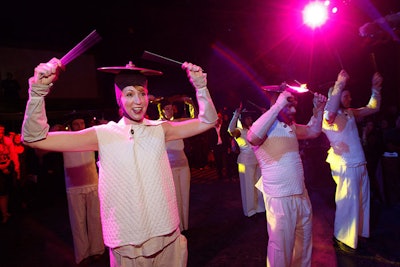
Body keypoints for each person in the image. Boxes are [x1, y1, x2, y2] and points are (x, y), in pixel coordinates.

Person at [21, 58, 218, 267]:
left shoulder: (160, 129)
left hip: (166, 233)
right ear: (119, 99)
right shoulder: (104, 134)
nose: (139, 101)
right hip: (127, 239)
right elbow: (34, 138)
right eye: (129, 94)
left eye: (142, 93)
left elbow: (209, 120)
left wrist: (201, 86)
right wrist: (37, 92)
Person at [247, 88, 327, 267]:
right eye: (289, 106)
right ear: (278, 104)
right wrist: (278, 106)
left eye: (294, 106)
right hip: (279, 199)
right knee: (280, 249)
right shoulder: (264, 127)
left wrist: (319, 109)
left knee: (303, 245)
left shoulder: (290, 127)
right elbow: (252, 137)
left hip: (301, 195)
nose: (294, 111)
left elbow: (313, 131)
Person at [322, 70, 383, 253]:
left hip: (359, 163)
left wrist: (376, 89)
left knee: (362, 202)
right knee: (347, 202)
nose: (349, 98)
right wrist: (339, 83)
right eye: (345, 96)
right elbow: (330, 110)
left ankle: (357, 234)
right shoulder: (328, 117)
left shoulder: (350, 113)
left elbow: (373, 108)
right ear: (337, 96)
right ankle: (342, 238)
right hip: (345, 165)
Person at [61, 112, 105, 264]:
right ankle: (82, 253)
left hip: (92, 183)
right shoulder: (65, 140)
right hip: (74, 186)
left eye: (81, 123)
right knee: (78, 221)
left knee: (95, 218)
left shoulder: (90, 138)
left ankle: (97, 249)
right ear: (71, 126)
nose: (80, 126)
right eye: (76, 124)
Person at [157, 97, 195, 232]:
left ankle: (185, 226)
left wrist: (191, 104)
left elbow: (195, 119)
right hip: (169, 164)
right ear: (162, 111)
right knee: (175, 198)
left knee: (185, 195)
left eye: (171, 109)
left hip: (183, 163)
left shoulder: (177, 123)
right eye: (167, 109)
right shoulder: (158, 125)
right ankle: (177, 226)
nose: (170, 111)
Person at [228, 104, 265, 217]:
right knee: (248, 186)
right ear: (243, 119)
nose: (250, 119)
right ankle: (250, 210)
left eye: (251, 118)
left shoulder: (253, 130)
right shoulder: (239, 131)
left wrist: (264, 114)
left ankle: (260, 207)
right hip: (245, 161)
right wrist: (236, 114)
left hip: (256, 160)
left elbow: (263, 127)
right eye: (248, 118)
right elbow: (230, 129)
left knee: (258, 185)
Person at [0, 124, 20, 223]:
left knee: (5, 193)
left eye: (2, 131)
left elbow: (13, 154)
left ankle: (5, 213)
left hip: (6, 170)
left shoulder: (7, 140)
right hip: (2, 170)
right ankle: (4, 214)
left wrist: (16, 167)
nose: (1, 133)